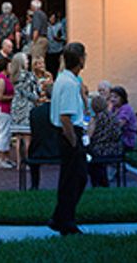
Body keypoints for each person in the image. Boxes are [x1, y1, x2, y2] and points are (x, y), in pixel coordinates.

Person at [49, 42, 89, 235]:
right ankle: (66, 221)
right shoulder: (70, 83)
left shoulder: (64, 79)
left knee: (72, 178)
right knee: (75, 179)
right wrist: (74, 142)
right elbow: (66, 117)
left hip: (67, 134)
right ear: (80, 59)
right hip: (70, 134)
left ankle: (60, 217)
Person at [9, 52, 40, 168]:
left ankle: (18, 162)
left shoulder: (14, 76)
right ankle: (26, 162)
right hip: (27, 107)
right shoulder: (28, 76)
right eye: (26, 60)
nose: (28, 62)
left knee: (18, 138)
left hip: (16, 106)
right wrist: (37, 97)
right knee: (27, 137)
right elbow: (33, 91)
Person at [86, 94, 122, 187]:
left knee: (87, 156)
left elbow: (89, 136)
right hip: (115, 149)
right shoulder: (113, 117)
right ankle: (103, 181)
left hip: (100, 149)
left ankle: (97, 183)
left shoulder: (96, 119)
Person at [0, 56, 15, 168]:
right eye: (10, 65)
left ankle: (6, 157)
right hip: (2, 109)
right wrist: (13, 97)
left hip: (7, 109)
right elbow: (0, 96)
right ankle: (1, 158)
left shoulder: (7, 77)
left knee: (7, 133)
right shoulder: (1, 79)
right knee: (4, 133)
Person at [109, 86, 137, 150]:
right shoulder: (114, 108)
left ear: (122, 98)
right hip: (116, 136)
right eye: (111, 97)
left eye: (115, 97)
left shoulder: (126, 109)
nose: (112, 99)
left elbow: (118, 125)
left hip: (126, 138)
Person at [45, 12, 66, 78]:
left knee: (57, 66)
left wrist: (58, 39)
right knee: (50, 67)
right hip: (49, 50)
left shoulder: (59, 26)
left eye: (54, 18)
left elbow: (64, 37)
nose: (52, 19)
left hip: (58, 49)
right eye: (51, 18)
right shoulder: (46, 26)